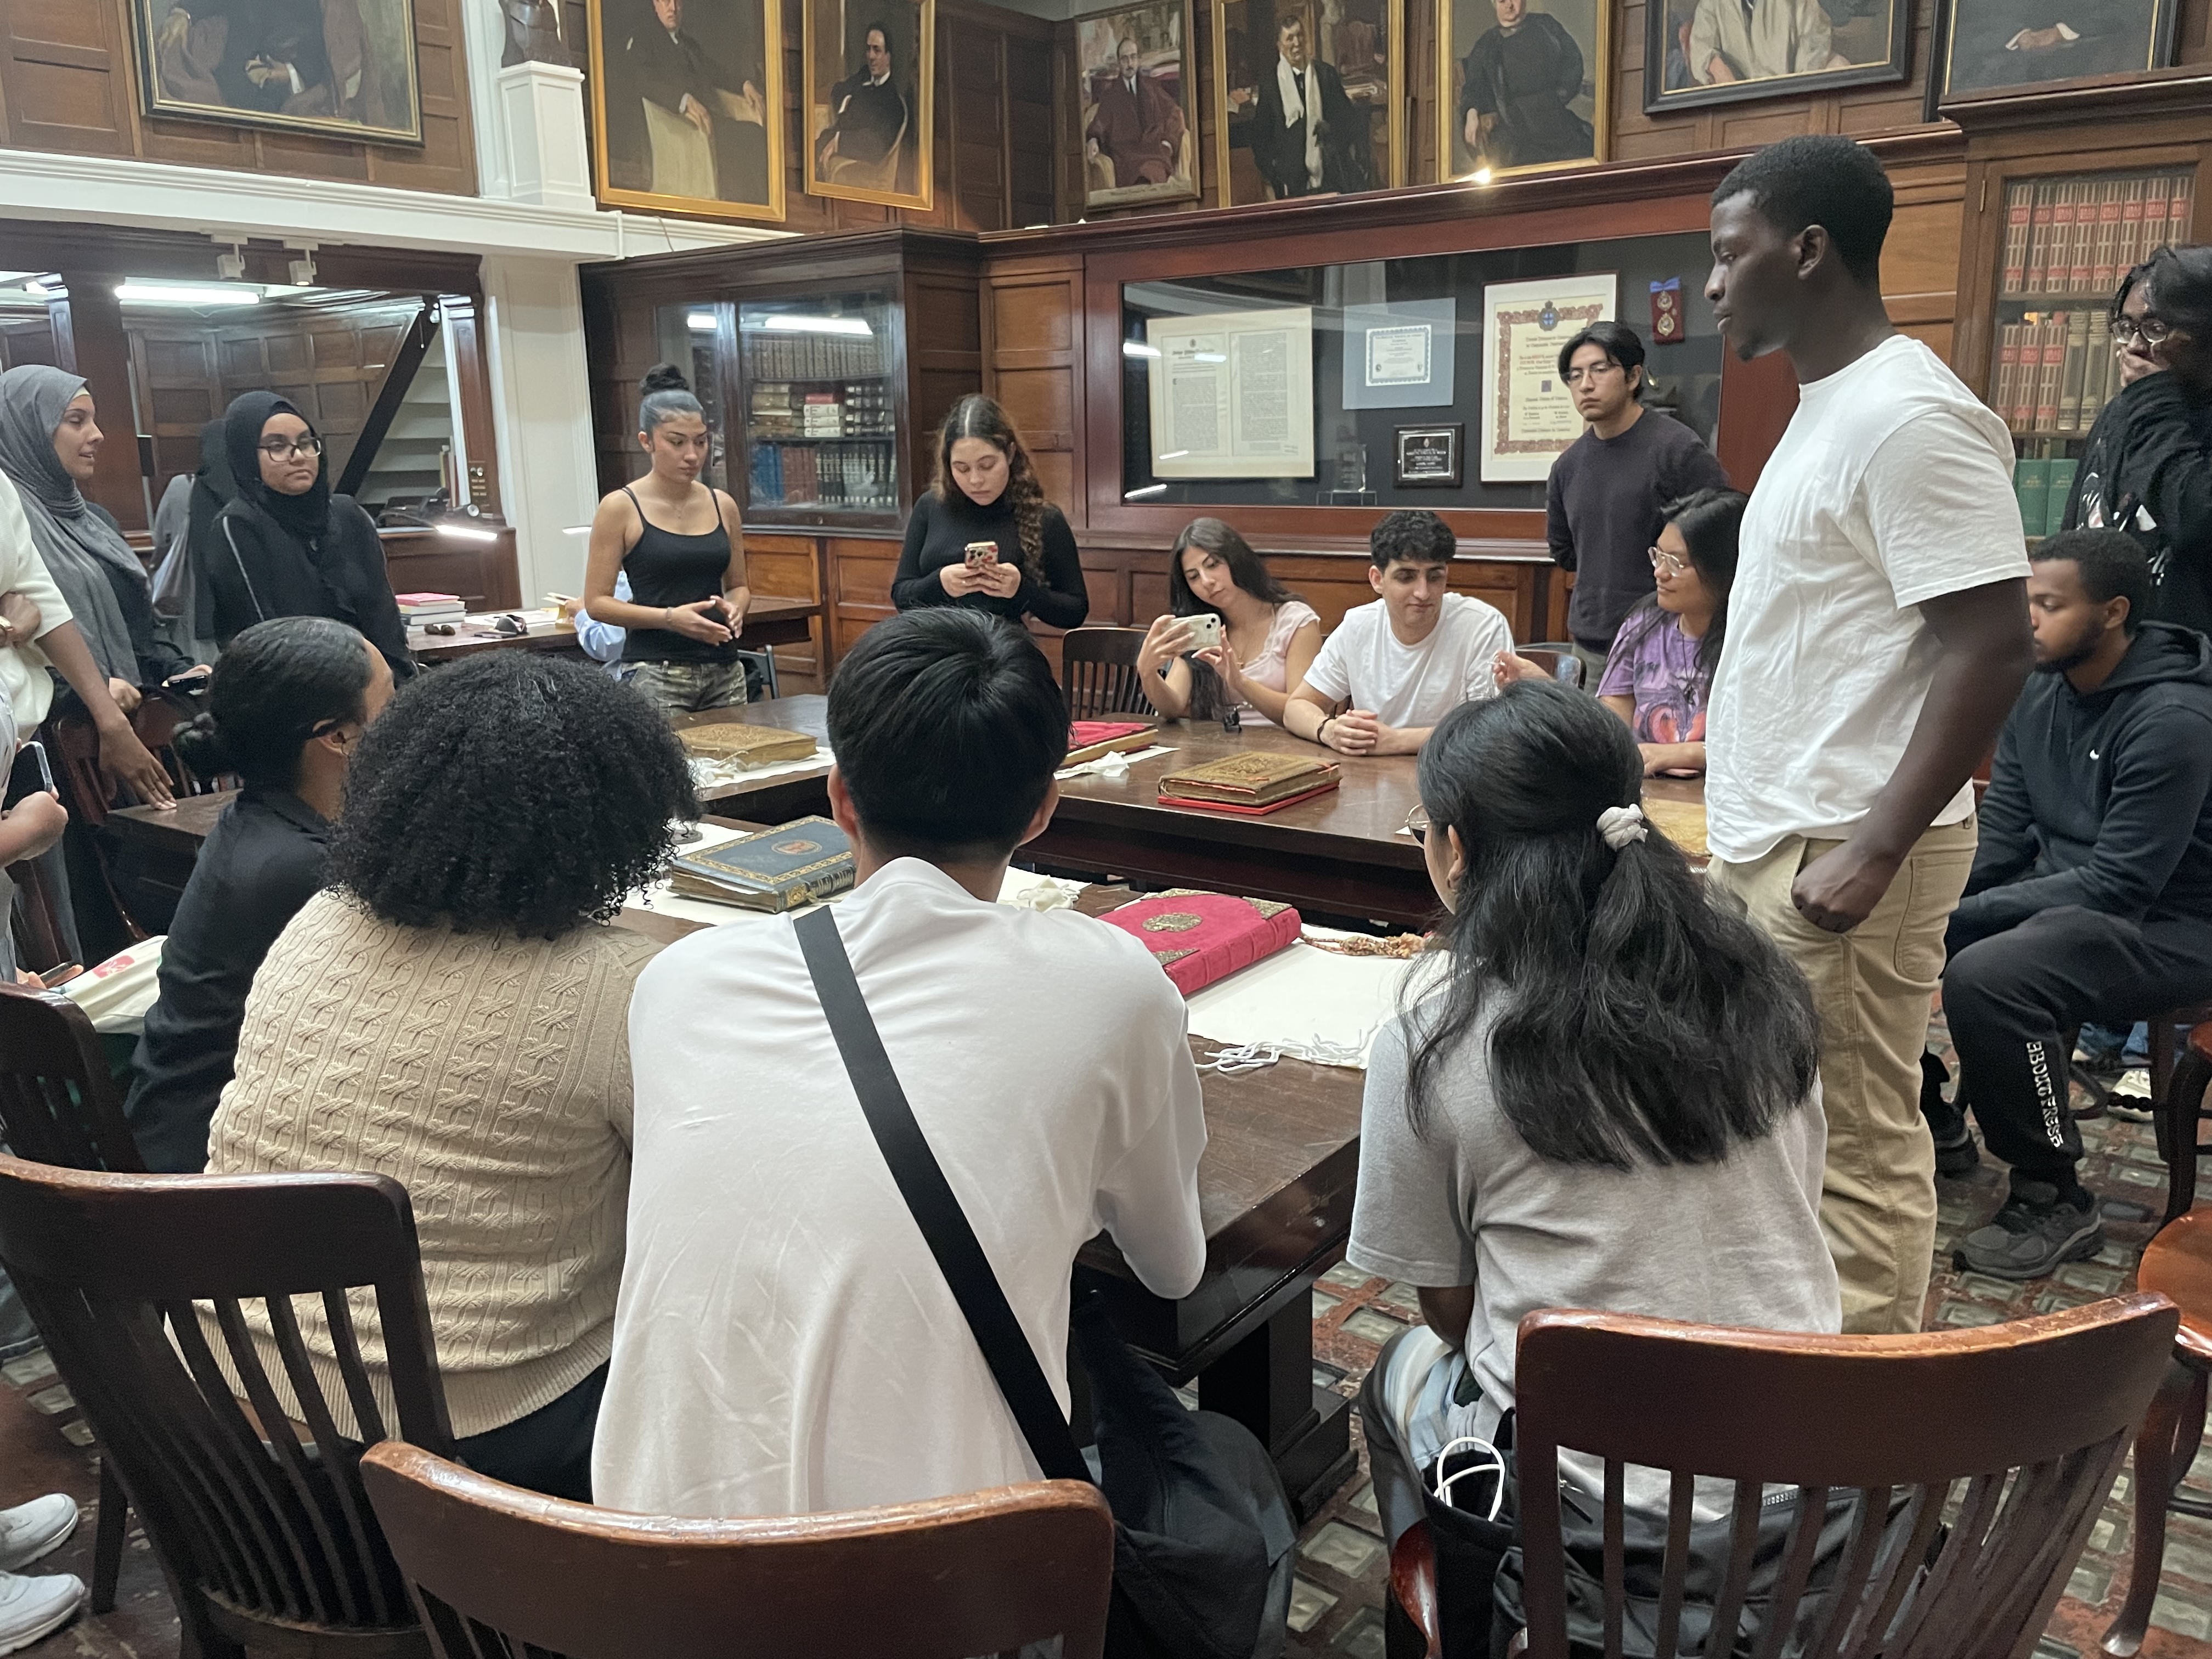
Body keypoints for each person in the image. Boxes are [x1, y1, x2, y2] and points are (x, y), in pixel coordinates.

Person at [594, 608, 1207, 1517]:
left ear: (839, 797)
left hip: (637, 1571)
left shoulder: (677, 980)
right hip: (944, 1589)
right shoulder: (1112, 982)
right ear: (1043, 808)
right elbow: (1171, 1267)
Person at [1351, 681, 1835, 1577]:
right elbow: (1789, 1210)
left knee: (1395, 1373)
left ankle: (1458, 1610)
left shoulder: (1435, 1039)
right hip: (1800, 1485)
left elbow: (1450, 1308)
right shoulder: (1760, 985)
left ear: (1453, 850)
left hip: (1582, 1523)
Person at [204, 651, 697, 1503]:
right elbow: (691, 1200)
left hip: (228, 1393)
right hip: (468, 1431)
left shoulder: (319, 919)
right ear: (627, 818)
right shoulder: (619, 985)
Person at [1702, 134, 2033, 1335]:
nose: (1714, 285)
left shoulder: (1910, 417)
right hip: (1783, 834)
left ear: (1808, 249)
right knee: (1784, 1123)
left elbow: (1993, 641)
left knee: (1854, 1140)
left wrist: (1877, 848)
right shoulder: (1825, 406)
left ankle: (1862, 1452)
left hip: (1846, 846)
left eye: (1729, 255)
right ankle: (1805, 1357)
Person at [1920, 533, 2212, 1278]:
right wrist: (1924, 908)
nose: (2029, 622)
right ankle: (1930, 1114)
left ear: (2113, 612)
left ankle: (2053, 1188)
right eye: (2024, 605)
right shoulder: (2039, 688)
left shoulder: (2175, 719)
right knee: (1889, 927)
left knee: (1992, 977)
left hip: (2175, 923)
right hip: (2071, 902)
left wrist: (1961, 918)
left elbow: (2121, 883)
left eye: (2049, 606)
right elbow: (2007, 837)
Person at [123, 618, 392, 1173]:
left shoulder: (261, 821)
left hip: (193, 1130)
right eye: (391, 702)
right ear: (337, 736)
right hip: (212, 1173)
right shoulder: (301, 868)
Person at [0, 367, 205, 714]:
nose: (97, 435)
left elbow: (140, 638)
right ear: (27, 429)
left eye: (94, 421)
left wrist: (182, 673)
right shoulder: (10, 529)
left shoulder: (96, 521)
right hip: (53, 727)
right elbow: (20, 645)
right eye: (76, 421)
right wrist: (90, 693)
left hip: (134, 717)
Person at [1500, 486, 1745, 776]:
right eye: (1659, 556)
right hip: (1647, 788)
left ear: (1725, 569)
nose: (1660, 573)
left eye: (1676, 563)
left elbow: (1763, 746)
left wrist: (1687, 753)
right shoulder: (1643, 625)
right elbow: (1611, 725)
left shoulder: (1750, 641)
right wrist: (1551, 690)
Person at [1541, 321, 1731, 683]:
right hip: (1592, 645)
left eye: (1599, 369)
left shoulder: (1677, 451)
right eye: (1575, 375)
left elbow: (1715, 538)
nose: (1586, 384)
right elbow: (1564, 551)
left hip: (1668, 640)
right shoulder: (1568, 466)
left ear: (1633, 377)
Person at [2060, 246, 2212, 639]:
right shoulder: (2126, 413)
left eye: (2156, 329)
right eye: (2128, 328)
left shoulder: (2148, 407)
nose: (2135, 347)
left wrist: (2154, 401)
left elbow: (2199, 519)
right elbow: (2075, 537)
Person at [208, 391, 413, 681]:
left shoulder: (347, 515)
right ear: (246, 455)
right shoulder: (239, 525)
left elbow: (385, 621)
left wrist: (397, 689)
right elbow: (265, 643)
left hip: (376, 687)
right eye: (278, 446)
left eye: (306, 443)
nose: (299, 456)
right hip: (292, 698)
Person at [583, 365, 751, 715]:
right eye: (676, 442)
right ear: (647, 441)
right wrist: (670, 618)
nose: (692, 455)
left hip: (724, 667)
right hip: (655, 670)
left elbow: (739, 586)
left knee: (736, 767)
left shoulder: (723, 504)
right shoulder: (620, 507)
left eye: (701, 441)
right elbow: (597, 603)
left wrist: (736, 608)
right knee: (668, 767)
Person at [1284, 509, 1513, 757]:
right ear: (1377, 580)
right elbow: (1297, 706)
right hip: (1370, 777)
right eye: (1407, 577)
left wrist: (1397, 741)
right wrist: (1328, 731)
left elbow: (1492, 729)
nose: (1423, 593)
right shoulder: (1358, 625)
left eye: (1434, 577)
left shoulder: (1482, 626)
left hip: (1455, 776)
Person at [891, 394, 1088, 630]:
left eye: (987, 466)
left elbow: (1075, 612)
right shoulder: (930, 506)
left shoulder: (1045, 518)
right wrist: (939, 583)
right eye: (962, 468)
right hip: (936, 649)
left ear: (1011, 454)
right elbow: (901, 595)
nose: (975, 480)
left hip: (1004, 652)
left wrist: (1021, 589)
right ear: (948, 465)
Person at [1135, 518, 1320, 726]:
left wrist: (1240, 682)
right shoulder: (1202, 629)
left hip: (1286, 749)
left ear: (1236, 559)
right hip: (1218, 748)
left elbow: (1302, 712)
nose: (1207, 582)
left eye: (1213, 565)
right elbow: (1172, 707)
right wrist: (1147, 671)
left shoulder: (1295, 621)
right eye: (1194, 577)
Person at [627, 0, 768, 204]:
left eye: (677, 2)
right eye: (666, 2)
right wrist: (684, 101)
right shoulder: (644, 39)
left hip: (711, 120)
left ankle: (756, 208)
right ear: (655, 4)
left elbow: (714, 72)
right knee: (749, 138)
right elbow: (643, 80)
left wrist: (744, 84)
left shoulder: (689, 44)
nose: (673, 8)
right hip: (683, 125)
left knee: (756, 136)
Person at [1229, 14, 1368, 200]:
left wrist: (1331, 131)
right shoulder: (1271, 85)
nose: (1297, 43)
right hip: (1292, 186)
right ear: (1280, 45)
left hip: (1331, 178)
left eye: (1300, 35)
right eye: (1290, 38)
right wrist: (1275, 174)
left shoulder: (1326, 75)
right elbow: (1261, 138)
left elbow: (1348, 121)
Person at [1457, 0, 1593, 173]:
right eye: (1502, 1)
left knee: (1581, 152)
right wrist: (1471, 112)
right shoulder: (1487, 44)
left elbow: (1573, 62)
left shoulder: (1546, 26)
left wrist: (1558, 96)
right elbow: (1474, 85)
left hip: (1553, 116)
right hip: (1513, 125)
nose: (1509, 6)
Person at [1947, 4, 2154, 92]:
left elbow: (2130, 8)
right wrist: (2018, 36)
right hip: (1997, 84)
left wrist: (2061, 33)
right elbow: (1965, 22)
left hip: (2088, 83)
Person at [1086, 36, 1186, 189]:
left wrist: (1168, 142)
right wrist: (1093, 139)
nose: (1129, 63)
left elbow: (1175, 112)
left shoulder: (1152, 87)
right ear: (1119, 63)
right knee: (1141, 175)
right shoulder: (1111, 95)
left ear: (1138, 60)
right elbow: (1100, 122)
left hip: (1153, 150)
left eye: (1133, 57)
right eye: (1125, 59)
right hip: (1127, 155)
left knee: (1155, 171)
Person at [814, 24, 909, 178]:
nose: (871, 56)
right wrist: (849, 102)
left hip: (858, 168)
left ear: (888, 56)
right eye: (869, 49)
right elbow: (838, 90)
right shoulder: (864, 76)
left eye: (877, 50)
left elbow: (876, 145)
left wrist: (839, 141)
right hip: (828, 137)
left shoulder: (893, 103)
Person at [1688, 0, 1838, 83]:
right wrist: (1717, 67)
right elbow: (1701, 47)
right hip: (1738, 104)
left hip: (1788, 96)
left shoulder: (1800, 3)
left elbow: (1815, 40)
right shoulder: (1711, 4)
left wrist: (1794, 89)